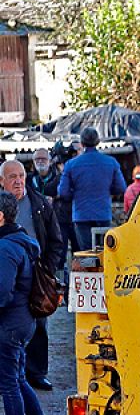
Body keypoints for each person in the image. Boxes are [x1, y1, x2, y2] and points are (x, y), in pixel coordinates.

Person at [0, 160, 61, 391]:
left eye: (21, 176)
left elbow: (56, 241)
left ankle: (37, 373)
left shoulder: (39, 203)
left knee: (39, 324)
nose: (18, 181)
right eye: (12, 177)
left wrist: (47, 270)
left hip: (34, 275)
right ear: (2, 181)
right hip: (5, 274)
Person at [0, 191, 47, 415]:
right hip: (25, 320)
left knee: (8, 382)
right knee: (18, 379)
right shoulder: (23, 241)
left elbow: (1, 291)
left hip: (9, 324)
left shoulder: (5, 247)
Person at [56, 128, 126, 251]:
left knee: (86, 254)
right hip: (103, 213)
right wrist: (106, 191)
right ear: (98, 142)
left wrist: (76, 194)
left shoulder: (71, 165)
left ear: (81, 144)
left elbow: (63, 192)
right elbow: (121, 187)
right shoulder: (111, 162)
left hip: (81, 214)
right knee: (105, 252)